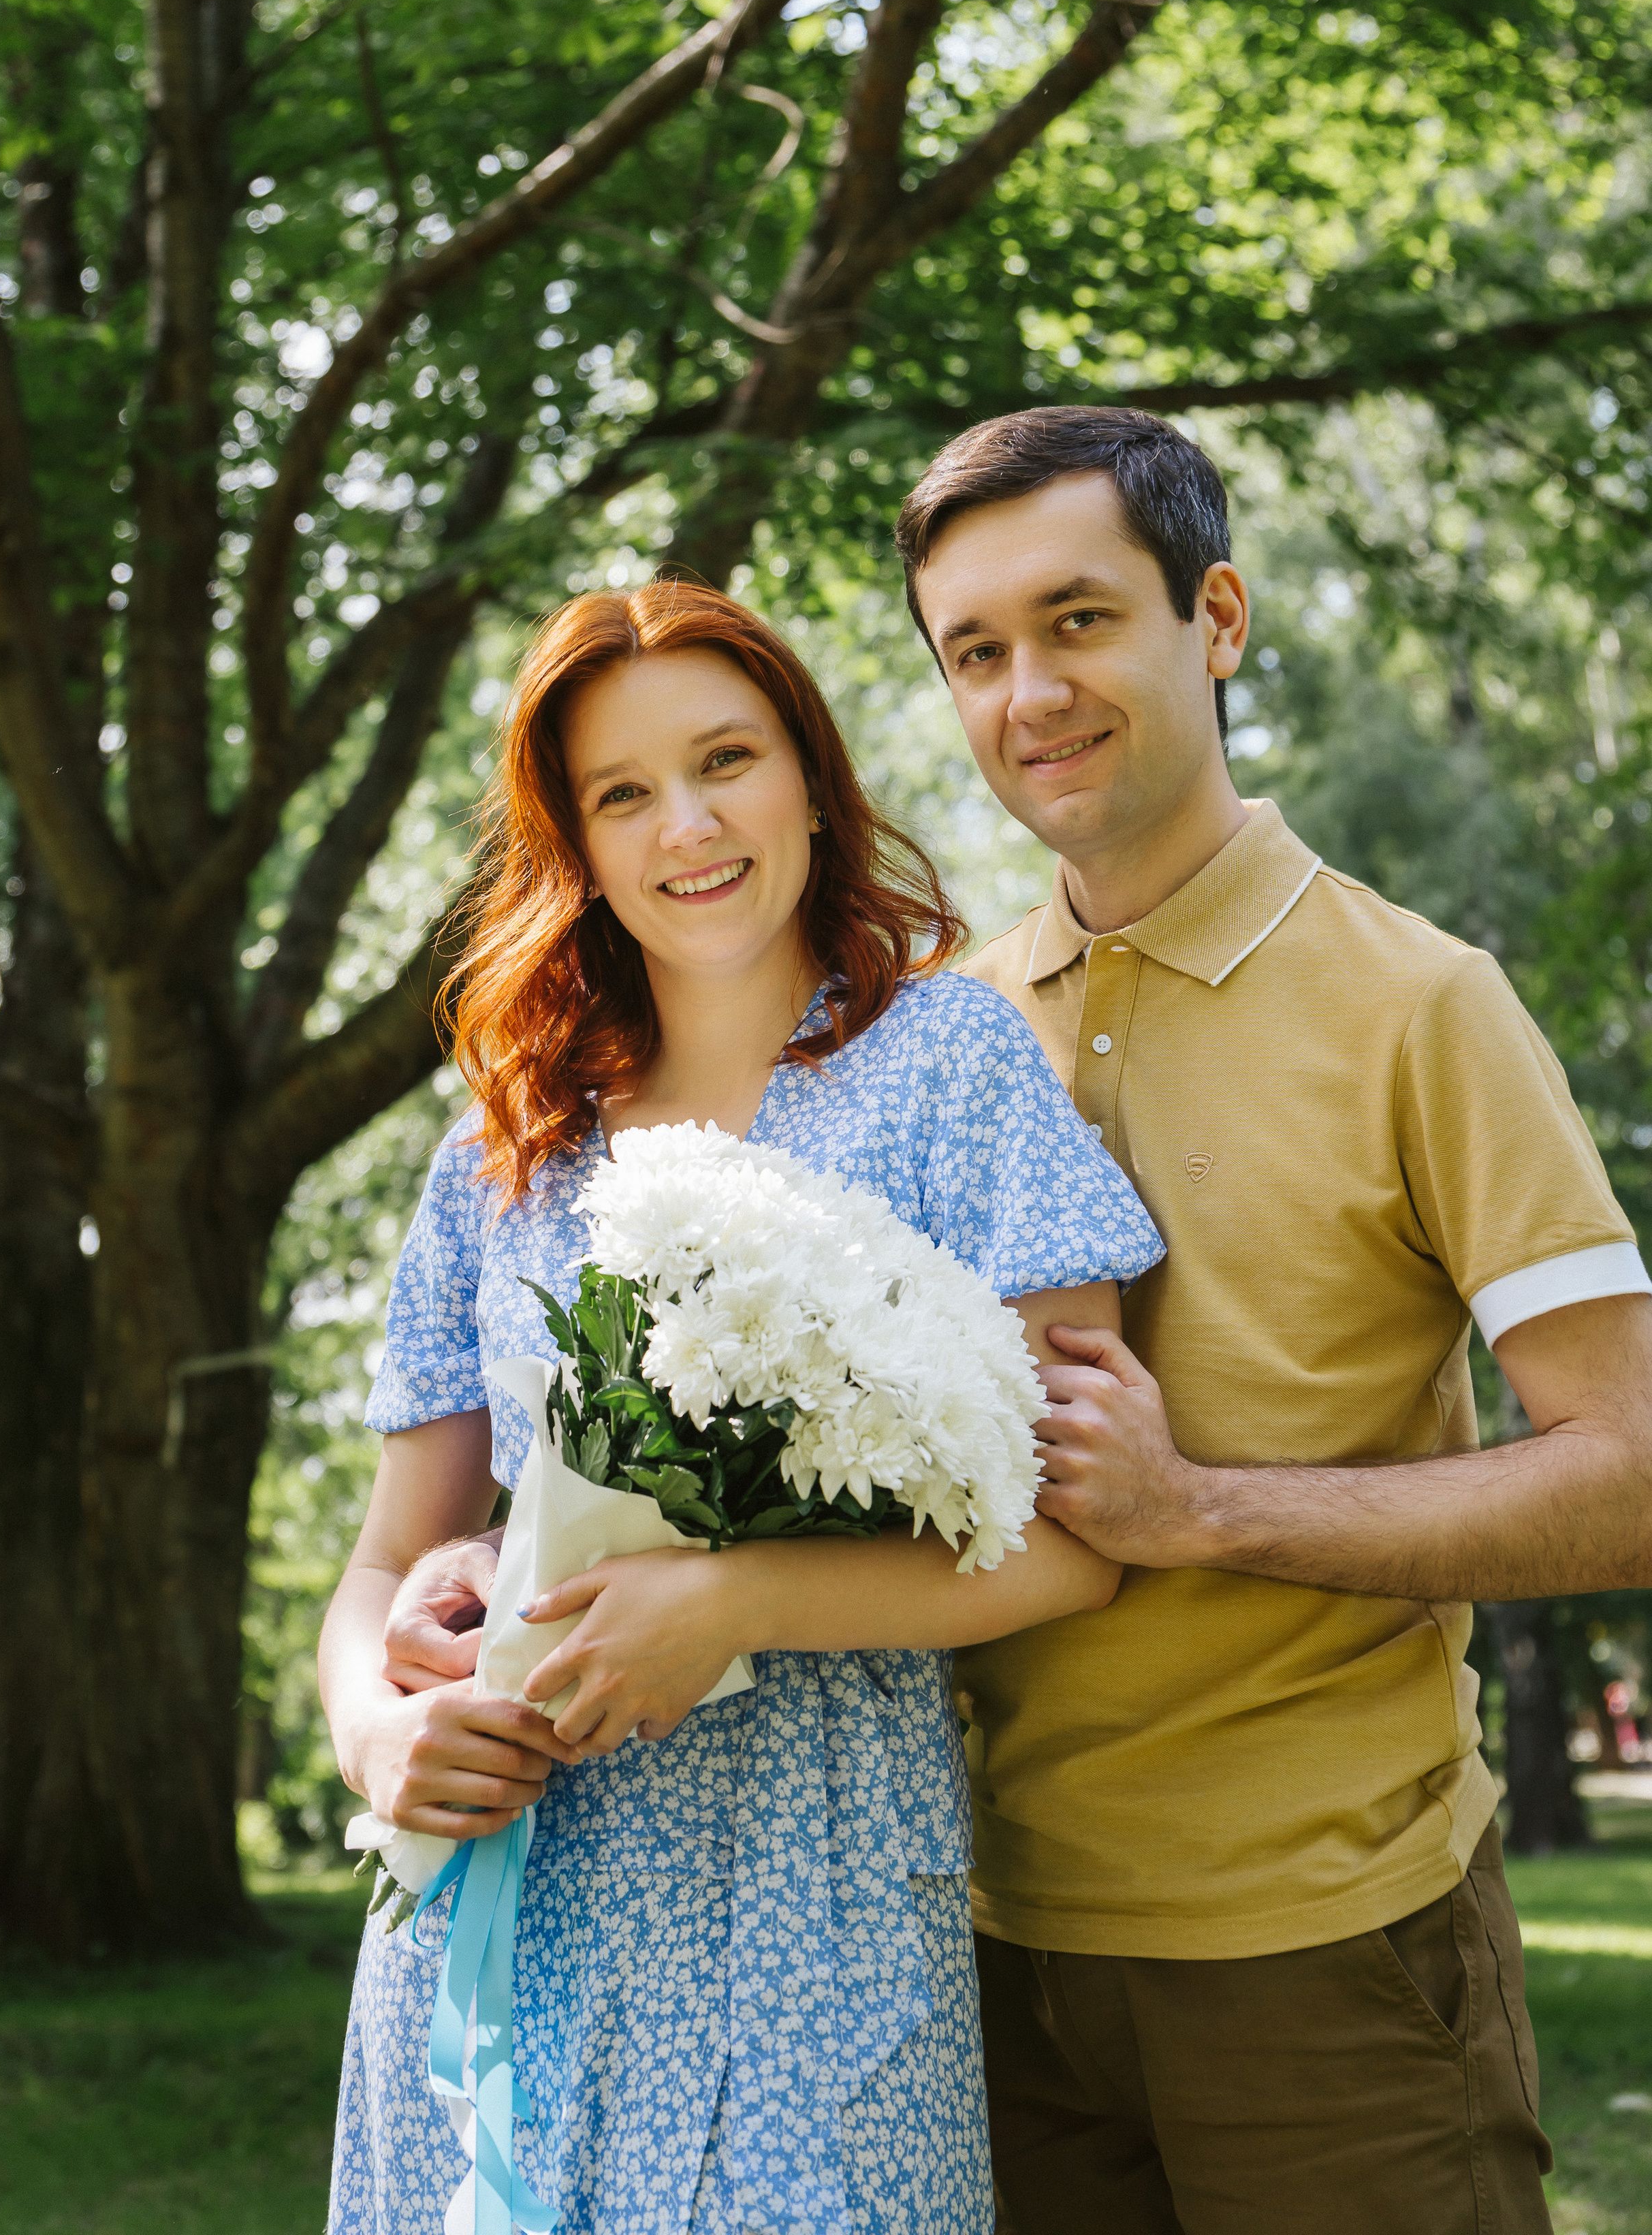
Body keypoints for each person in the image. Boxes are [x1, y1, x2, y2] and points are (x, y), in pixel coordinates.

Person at [320, 579, 1164, 2235]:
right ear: (569, 838)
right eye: (621, 793)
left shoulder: (950, 1067)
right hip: (508, 1896)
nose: (686, 826)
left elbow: (1083, 1542)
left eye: (726, 759)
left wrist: (734, 1600)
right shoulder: (502, 1148)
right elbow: (383, 1572)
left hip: (817, 1909)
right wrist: (378, 1733)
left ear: (809, 774)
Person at [893, 405, 1652, 2235]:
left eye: (1079, 621)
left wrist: (1206, 1508)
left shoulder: (1423, 1007)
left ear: (1215, 618)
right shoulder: (942, 1030)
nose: (1031, 695)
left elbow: (1629, 1475)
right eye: (977, 652)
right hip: (994, 1959)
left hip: (1335, 1955)